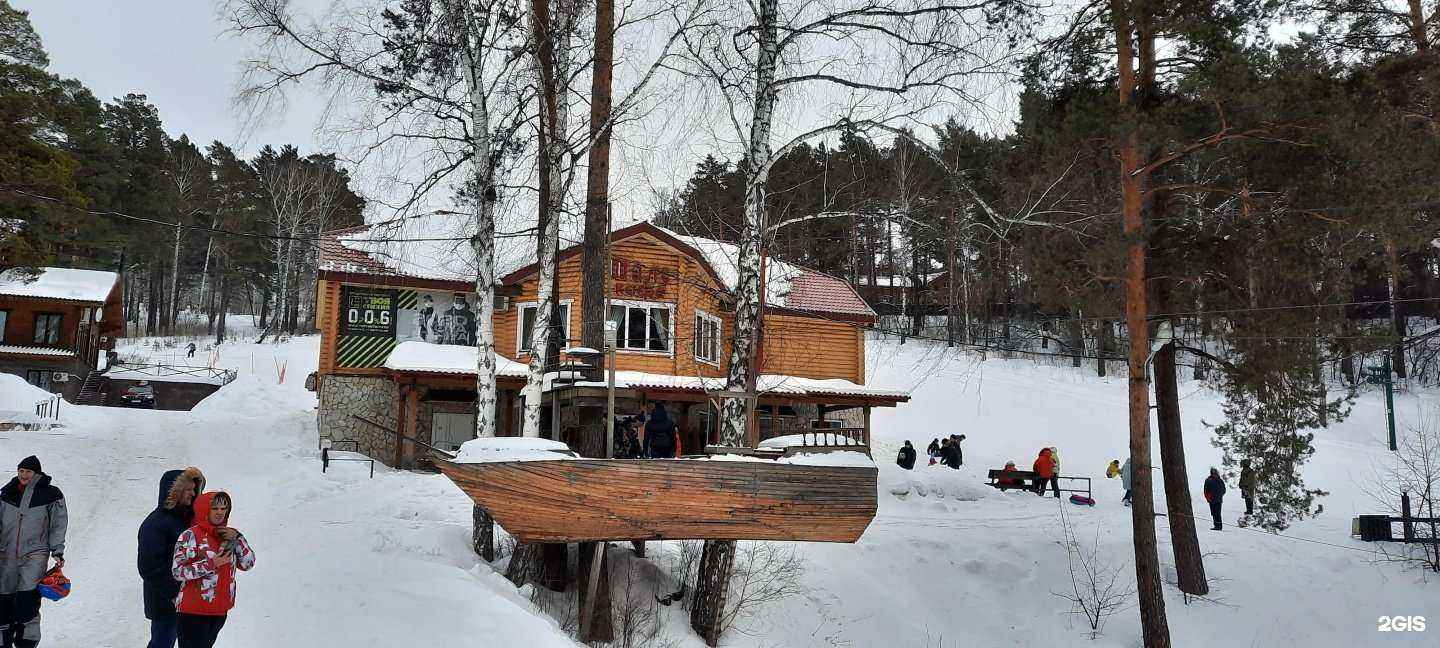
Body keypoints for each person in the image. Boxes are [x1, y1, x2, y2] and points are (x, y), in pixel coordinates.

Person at [172, 492, 255, 648]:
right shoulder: (190, 536)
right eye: (215, 508)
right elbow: (178, 571)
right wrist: (212, 563)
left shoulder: (229, 535)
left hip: (219, 610)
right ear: (205, 510)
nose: (220, 512)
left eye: (224, 508)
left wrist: (238, 538)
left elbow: (248, 563)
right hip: (193, 611)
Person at [0, 456, 67, 648]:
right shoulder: (7, 493)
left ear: (36, 474)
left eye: (28, 472)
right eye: (21, 471)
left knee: (26, 601)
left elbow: (58, 525)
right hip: (5, 555)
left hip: (34, 555)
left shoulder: (51, 495)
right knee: (3, 600)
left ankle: (26, 642)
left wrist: (57, 550)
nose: (23, 475)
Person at [138, 468, 206, 648]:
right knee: (162, 643)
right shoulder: (155, 524)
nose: (193, 493)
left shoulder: (185, 519)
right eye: (188, 489)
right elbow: (149, 568)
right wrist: (175, 593)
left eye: (194, 489)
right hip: (165, 601)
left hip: (186, 598)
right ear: (176, 491)